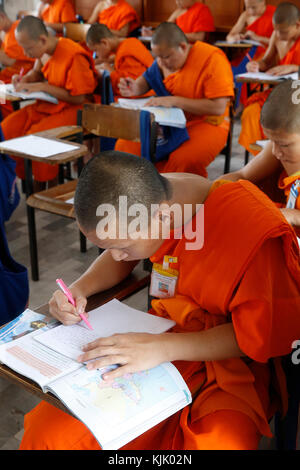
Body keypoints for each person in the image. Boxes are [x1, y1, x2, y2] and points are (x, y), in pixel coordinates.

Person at [19, 150, 300, 450]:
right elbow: (123, 256)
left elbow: (261, 332)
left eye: (122, 247)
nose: (115, 256)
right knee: (49, 434)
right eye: (106, 247)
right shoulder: (156, 208)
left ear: (163, 217)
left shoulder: (249, 226)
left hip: (228, 365)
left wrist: (160, 348)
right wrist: (79, 288)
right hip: (155, 339)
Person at [116, 22, 234, 177]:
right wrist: (133, 88)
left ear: (183, 47)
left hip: (207, 123)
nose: (162, 62)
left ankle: (180, 197)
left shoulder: (211, 59)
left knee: (182, 160)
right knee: (125, 146)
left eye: (166, 57)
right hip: (168, 122)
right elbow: (146, 80)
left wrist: (174, 101)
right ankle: (140, 194)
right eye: (157, 57)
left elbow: (218, 107)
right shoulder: (162, 60)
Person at [0, 16, 98, 187]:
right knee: (6, 129)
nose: (25, 54)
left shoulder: (73, 55)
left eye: (28, 49)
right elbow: (36, 73)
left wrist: (43, 87)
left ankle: (44, 185)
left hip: (77, 109)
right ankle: (14, 182)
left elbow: (79, 98)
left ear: (42, 39)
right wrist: (23, 80)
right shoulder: (44, 51)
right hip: (48, 105)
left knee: (37, 136)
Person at [218, 80, 300, 238]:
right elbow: (243, 176)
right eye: (272, 141)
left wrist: (294, 215)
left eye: (284, 145)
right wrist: (213, 190)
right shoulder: (280, 145)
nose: (276, 152)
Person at [239, 2, 300, 154]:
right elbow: (266, 61)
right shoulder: (277, 35)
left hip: (297, 94)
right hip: (279, 92)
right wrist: (256, 65)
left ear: (297, 25)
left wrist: (295, 67)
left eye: (284, 32)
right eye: (276, 31)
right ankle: (262, 157)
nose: (279, 36)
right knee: (251, 112)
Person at [86, 23, 153, 97]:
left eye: (96, 50)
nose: (96, 55)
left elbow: (133, 86)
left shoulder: (126, 51)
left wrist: (111, 72)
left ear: (104, 43)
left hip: (145, 96)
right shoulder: (123, 46)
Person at [142, 1, 215, 44]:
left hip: (193, 49)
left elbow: (199, 37)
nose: (177, 2)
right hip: (174, 48)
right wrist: (151, 33)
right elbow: (164, 30)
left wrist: (174, 36)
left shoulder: (202, 10)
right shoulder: (178, 12)